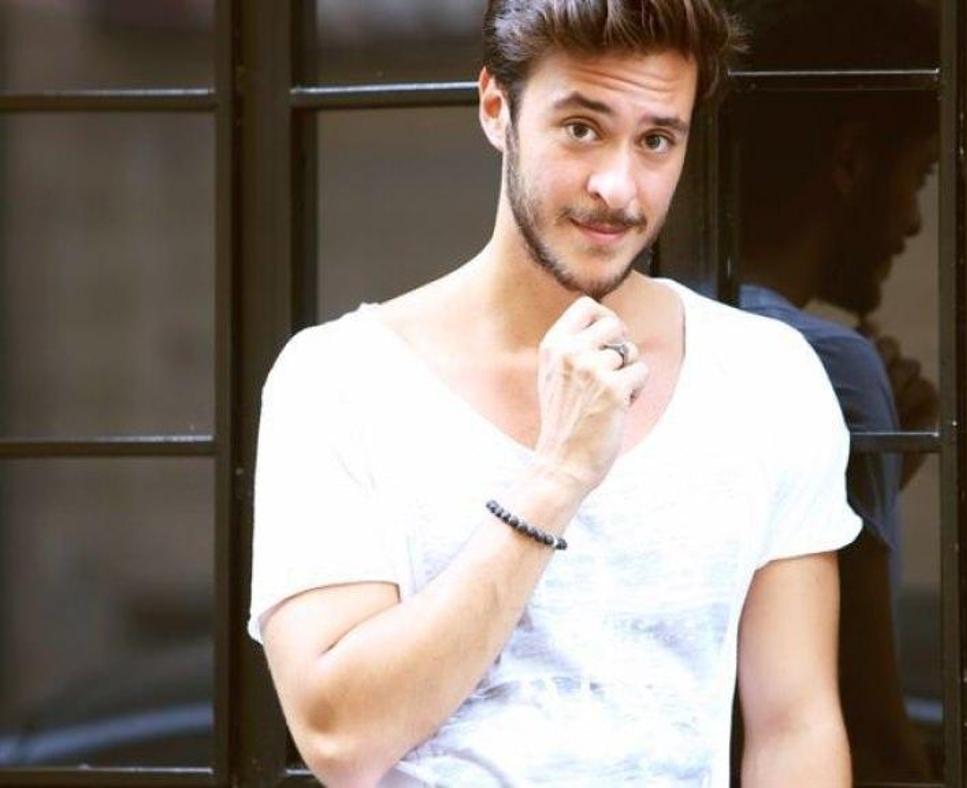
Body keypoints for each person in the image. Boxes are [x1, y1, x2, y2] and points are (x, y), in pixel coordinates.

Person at [247, 2, 865, 785]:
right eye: (581, 128)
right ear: (495, 107)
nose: (618, 186)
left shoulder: (766, 377)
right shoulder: (339, 380)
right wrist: (558, 474)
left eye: (656, 140)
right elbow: (339, 737)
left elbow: (794, 730)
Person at [731, 0, 940, 779]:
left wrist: (879, 467)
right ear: (850, 162)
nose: (915, 222)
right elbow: (868, 730)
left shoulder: (670, 320)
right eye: (919, 176)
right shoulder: (828, 365)